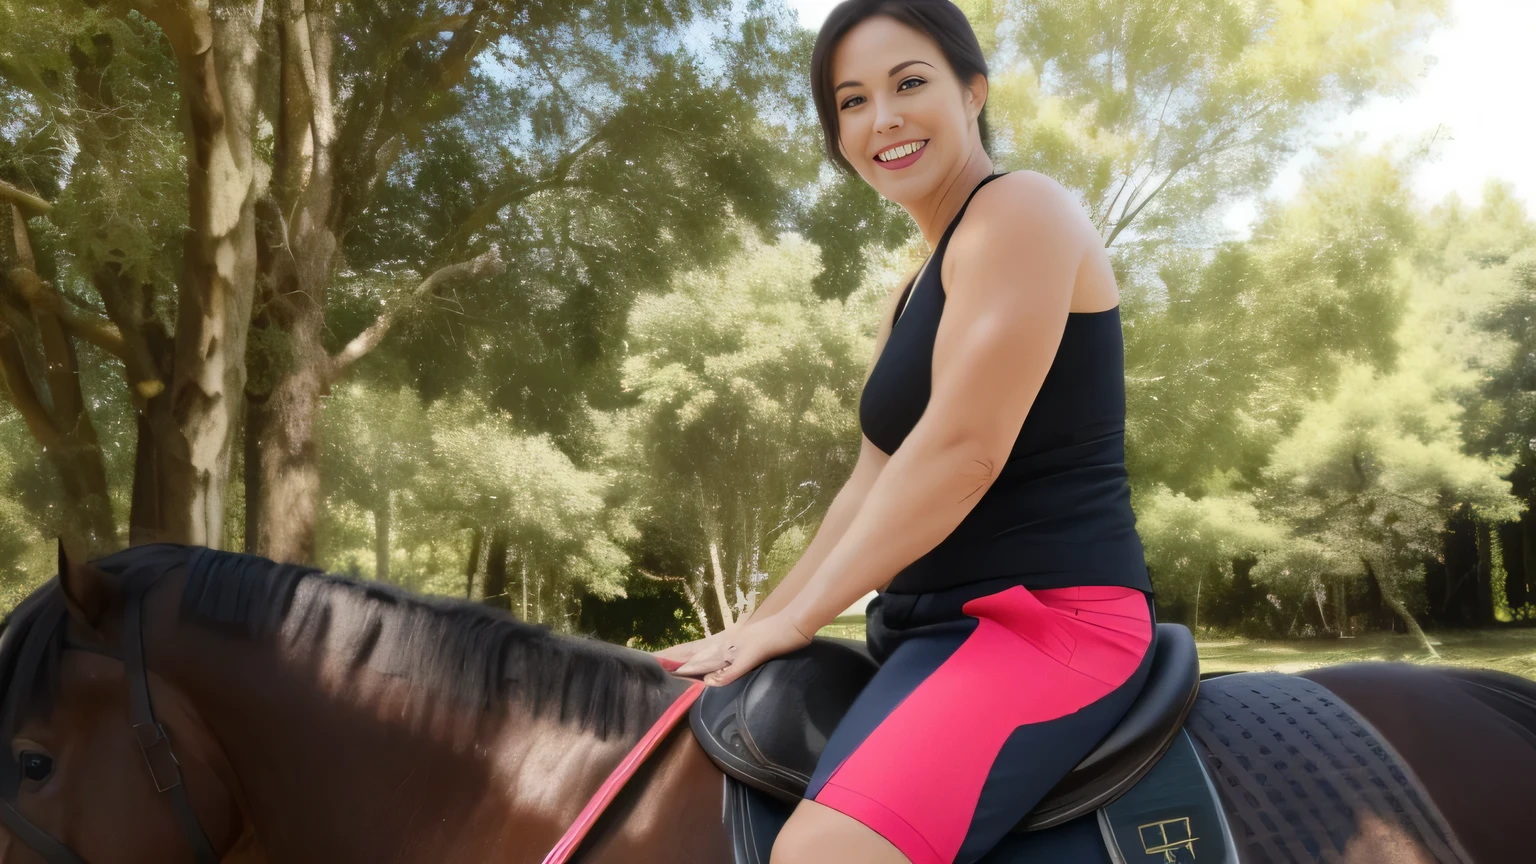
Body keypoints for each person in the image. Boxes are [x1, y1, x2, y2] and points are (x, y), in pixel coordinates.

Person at [657, 2, 1156, 862]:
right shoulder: (910, 289)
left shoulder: (1023, 210)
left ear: (973, 91)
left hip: (1048, 626)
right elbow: (869, 484)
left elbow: (963, 452)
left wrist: (806, 616)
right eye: (851, 101)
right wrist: (758, 626)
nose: (881, 117)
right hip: (922, 630)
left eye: (909, 83)